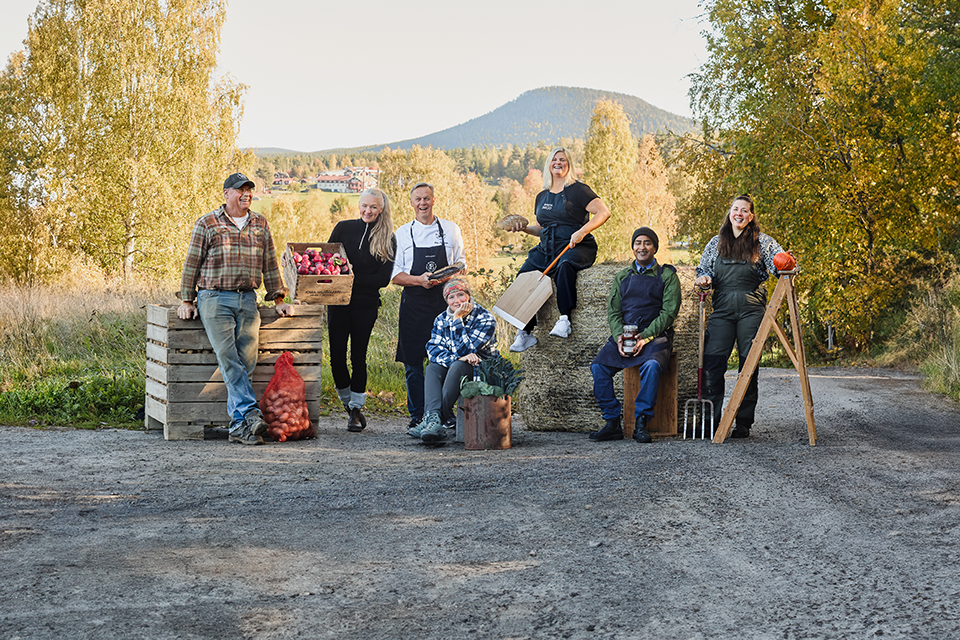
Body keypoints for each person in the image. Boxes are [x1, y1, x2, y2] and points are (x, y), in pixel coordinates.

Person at [177, 172, 292, 445]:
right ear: (227, 193)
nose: (246, 195)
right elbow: (192, 263)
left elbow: (270, 263)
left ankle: (240, 427)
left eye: (250, 190)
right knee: (228, 357)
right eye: (240, 190)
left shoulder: (260, 224)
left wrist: (278, 298)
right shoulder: (207, 223)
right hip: (215, 298)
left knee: (247, 361)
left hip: (248, 299)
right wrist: (186, 300)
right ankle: (251, 413)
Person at [695, 194, 785, 439]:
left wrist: (787, 265)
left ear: (751, 216)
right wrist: (703, 279)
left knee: (748, 365)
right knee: (712, 363)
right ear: (730, 212)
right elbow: (703, 270)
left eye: (744, 210)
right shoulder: (716, 242)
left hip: (751, 310)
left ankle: (743, 422)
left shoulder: (762, 242)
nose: (739, 214)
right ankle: (710, 421)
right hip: (722, 311)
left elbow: (780, 266)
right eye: (736, 209)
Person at [506, 146, 611, 351]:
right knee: (524, 274)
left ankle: (564, 319)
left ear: (568, 164)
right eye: (554, 160)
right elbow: (541, 229)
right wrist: (524, 229)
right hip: (547, 247)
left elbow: (603, 212)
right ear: (548, 165)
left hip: (576, 245)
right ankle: (525, 332)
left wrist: (582, 231)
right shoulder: (542, 196)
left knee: (564, 266)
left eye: (562, 159)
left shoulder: (579, 190)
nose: (558, 163)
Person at [588, 227, 680, 443]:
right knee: (598, 367)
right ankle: (612, 422)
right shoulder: (622, 277)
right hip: (627, 334)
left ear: (655, 247)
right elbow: (614, 312)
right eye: (638, 242)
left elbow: (668, 314)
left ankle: (641, 421)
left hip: (655, 336)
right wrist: (620, 336)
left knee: (651, 366)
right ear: (633, 247)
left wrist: (645, 337)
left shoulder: (667, 276)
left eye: (647, 242)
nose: (642, 247)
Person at [391, 182, 467, 431]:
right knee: (413, 364)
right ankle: (417, 415)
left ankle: (443, 414)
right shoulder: (402, 233)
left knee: (447, 360)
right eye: (418, 199)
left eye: (426, 198)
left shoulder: (451, 229)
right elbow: (395, 275)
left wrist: (446, 281)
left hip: (444, 305)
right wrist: (419, 280)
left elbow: (461, 265)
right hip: (413, 304)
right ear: (411, 203)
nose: (422, 203)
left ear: (434, 200)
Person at [327, 188, 396, 433]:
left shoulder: (388, 238)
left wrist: (354, 276)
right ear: (359, 205)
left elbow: (382, 279)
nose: (368, 211)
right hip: (337, 302)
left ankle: (356, 410)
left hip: (365, 305)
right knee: (336, 359)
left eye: (373, 207)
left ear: (381, 210)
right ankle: (348, 404)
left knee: (358, 357)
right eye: (364, 206)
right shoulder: (343, 228)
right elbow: (328, 261)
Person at [409, 278, 497, 443]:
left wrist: (457, 319)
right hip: (457, 364)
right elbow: (433, 350)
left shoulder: (485, 318)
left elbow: (469, 350)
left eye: (461, 295)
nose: (457, 301)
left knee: (457, 366)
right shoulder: (441, 319)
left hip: (481, 369)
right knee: (432, 368)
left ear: (468, 296)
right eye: (452, 297)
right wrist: (457, 357)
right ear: (446, 300)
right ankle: (433, 421)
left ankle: (432, 421)